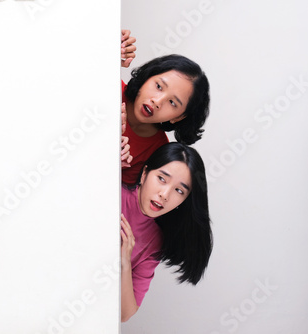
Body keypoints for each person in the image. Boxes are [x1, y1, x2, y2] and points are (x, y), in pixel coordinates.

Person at [120, 142, 213, 322]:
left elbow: (125, 314)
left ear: (183, 201)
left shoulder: (155, 241)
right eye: (162, 179)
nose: (165, 194)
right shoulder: (113, 193)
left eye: (179, 190)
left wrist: (124, 263)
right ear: (145, 174)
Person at [121, 54, 211, 185]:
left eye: (172, 103)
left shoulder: (157, 152)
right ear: (147, 77)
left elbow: (121, 197)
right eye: (158, 86)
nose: (157, 102)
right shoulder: (110, 89)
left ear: (178, 117)